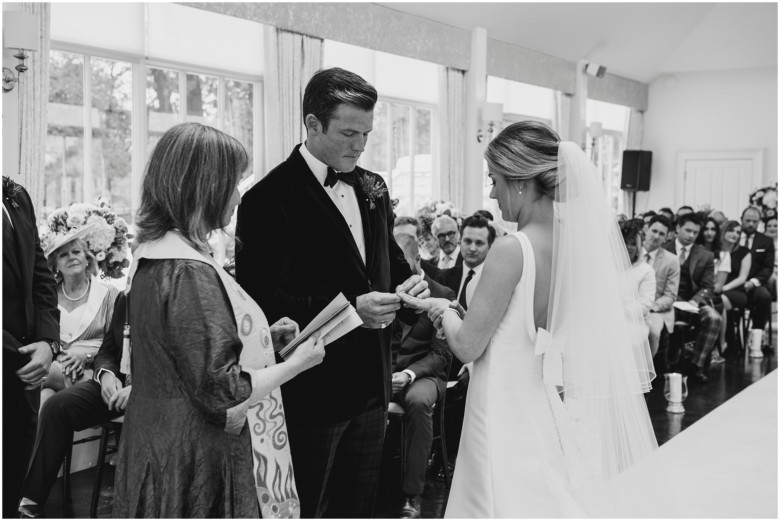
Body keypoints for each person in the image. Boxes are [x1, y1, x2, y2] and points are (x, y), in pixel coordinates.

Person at [401, 121, 657, 517]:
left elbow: (469, 345)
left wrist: (442, 309)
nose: (491, 192)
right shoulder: (573, 246)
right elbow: (521, 329)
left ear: (520, 182)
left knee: (493, 500)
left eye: (495, 179)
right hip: (537, 400)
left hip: (498, 404)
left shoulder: (510, 249)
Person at [235, 68, 429, 518]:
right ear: (312, 124)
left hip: (373, 384)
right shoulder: (268, 198)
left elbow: (388, 267)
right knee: (305, 505)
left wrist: (409, 287)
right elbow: (261, 298)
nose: (359, 146)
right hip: (313, 389)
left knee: (358, 507)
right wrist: (348, 310)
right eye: (348, 132)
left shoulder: (373, 187)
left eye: (366, 133)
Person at [113, 122, 326, 518]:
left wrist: (262, 340)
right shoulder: (189, 271)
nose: (238, 196)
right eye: (233, 183)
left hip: (153, 436)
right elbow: (223, 390)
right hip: (193, 452)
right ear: (204, 188)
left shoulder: (154, 254)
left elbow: (181, 352)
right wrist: (296, 364)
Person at [18, 294, 129, 518]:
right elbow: (108, 350)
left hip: (155, 392)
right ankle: (31, 500)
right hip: (115, 385)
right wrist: (107, 375)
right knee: (55, 406)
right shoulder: (125, 297)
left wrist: (141, 388)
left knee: (43, 382)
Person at [2, 177, 60, 518]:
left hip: (25, 376)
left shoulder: (17, 196)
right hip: (12, 361)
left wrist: (47, 344)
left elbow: (41, 276)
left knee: (9, 485)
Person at [390, 234, 454, 519]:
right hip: (386, 373)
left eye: (404, 262)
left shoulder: (444, 293)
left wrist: (407, 373)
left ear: (417, 259)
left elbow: (442, 355)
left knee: (417, 402)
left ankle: (411, 496)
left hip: (425, 375)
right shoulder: (387, 290)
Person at [40, 234, 119, 405]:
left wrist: (87, 356)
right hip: (56, 370)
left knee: (30, 377)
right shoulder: (47, 296)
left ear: (87, 259)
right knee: (44, 398)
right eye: (63, 255)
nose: (71, 257)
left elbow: (117, 344)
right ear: (55, 266)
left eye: (76, 252)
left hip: (91, 373)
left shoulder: (109, 294)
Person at [663, 213, 721, 383]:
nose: (691, 235)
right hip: (668, 300)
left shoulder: (705, 255)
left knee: (713, 317)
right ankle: (668, 364)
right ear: (678, 228)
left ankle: (696, 365)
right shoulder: (664, 249)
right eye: (688, 230)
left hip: (692, 302)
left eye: (695, 232)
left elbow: (708, 286)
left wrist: (695, 301)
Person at [739, 206, 775, 358]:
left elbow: (767, 268)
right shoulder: (733, 236)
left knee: (764, 296)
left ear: (759, 222)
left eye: (754, 221)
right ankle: (730, 344)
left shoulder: (765, 241)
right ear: (742, 220)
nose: (751, 224)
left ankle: (756, 341)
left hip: (755, 284)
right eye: (748, 220)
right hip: (734, 282)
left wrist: (752, 282)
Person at [643, 215, 680, 360]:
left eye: (661, 234)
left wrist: (650, 307)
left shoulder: (671, 260)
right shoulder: (632, 253)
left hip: (656, 309)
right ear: (646, 229)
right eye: (654, 231)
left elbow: (670, 296)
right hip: (631, 306)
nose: (656, 236)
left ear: (667, 237)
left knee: (652, 332)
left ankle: (645, 371)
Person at [718, 220, 751, 355]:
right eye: (732, 230)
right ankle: (722, 343)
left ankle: (721, 343)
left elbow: (742, 278)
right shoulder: (716, 250)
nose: (735, 234)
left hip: (736, 291)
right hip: (717, 288)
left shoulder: (744, 252)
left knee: (721, 299)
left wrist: (723, 288)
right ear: (724, 230)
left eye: (738, 232)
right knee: (719, 299)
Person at [621, 219, 656, 334]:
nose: (628, 247)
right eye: (625, 242)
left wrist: (619, 312)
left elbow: (645, 304)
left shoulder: (646, 271)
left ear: (639, 247)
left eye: (633, 244)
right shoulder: (606, 267)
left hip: (633, 323)